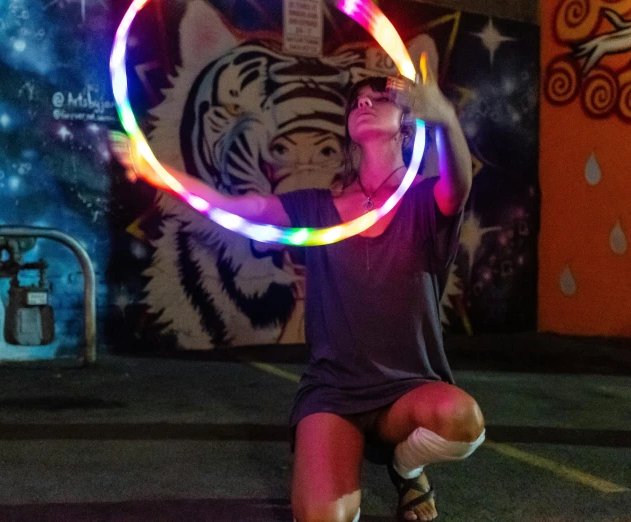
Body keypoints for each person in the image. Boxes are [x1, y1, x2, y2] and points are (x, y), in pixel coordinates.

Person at [111, 60, 484, 522]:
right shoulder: (316, 204)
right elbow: (231, 207)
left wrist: (445, 118)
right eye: (358, 102)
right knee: (323, 518)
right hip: (334, 389)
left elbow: (459, 185)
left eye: (381, 99)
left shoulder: (424, 201)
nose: (364, 103)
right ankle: (356, 455)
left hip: (407, 387)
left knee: (461, 419)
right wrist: (156, 173)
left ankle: (406, 470)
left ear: (408, 124)